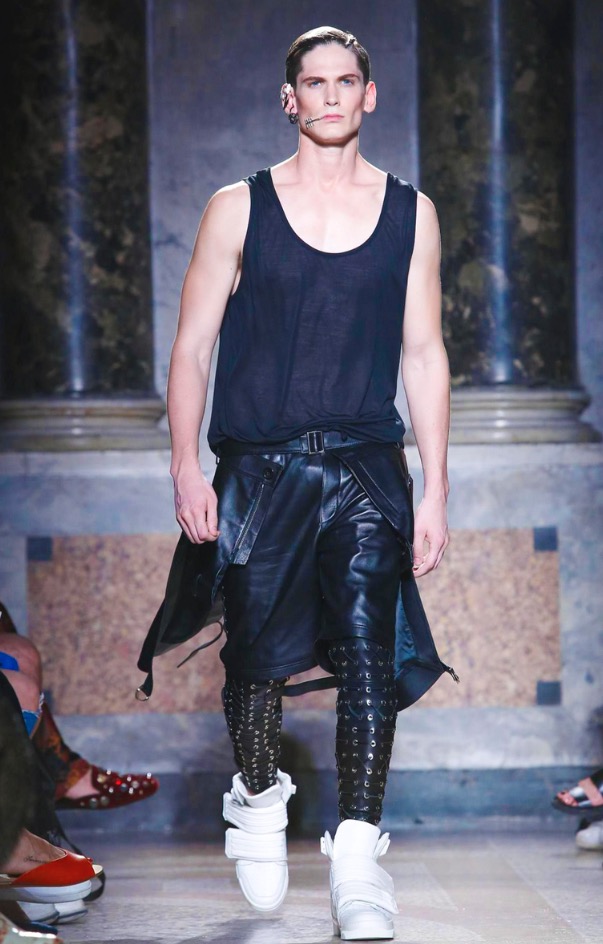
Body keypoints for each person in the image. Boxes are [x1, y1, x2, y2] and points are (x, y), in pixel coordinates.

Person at [140, 25, 453, 941]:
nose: (329, 96)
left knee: (367, 652)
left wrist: (436, 488)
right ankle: (256, 798)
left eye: (344, 81)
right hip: (258, 468)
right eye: (312, 83)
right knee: (254, 660)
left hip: (365, 464)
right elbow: (192, 347)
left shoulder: (411, 213)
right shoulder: (236, 208)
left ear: (368, 95)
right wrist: (184, 464)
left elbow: (424, 352)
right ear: (289, 99)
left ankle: (357, 859)